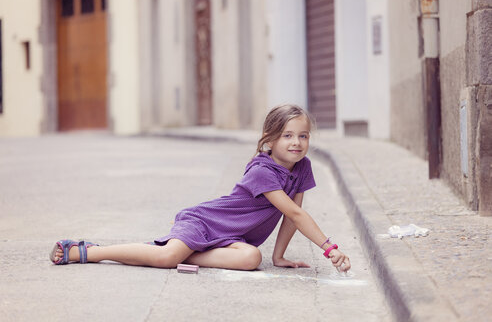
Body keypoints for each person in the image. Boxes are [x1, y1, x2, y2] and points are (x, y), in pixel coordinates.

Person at [50, 104, 351, 272]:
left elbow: (292, 216)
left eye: (303, 136)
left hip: (233, 239)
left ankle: (184, 252)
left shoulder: (303, 167)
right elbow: (296, 214)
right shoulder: (262, 170)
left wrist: (278, 256)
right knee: (167, 259)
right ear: (269, 140)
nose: (297, 143)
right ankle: (89, 251)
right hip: (206, 222)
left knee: (251, 259)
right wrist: (329, 248)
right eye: (287, 135)